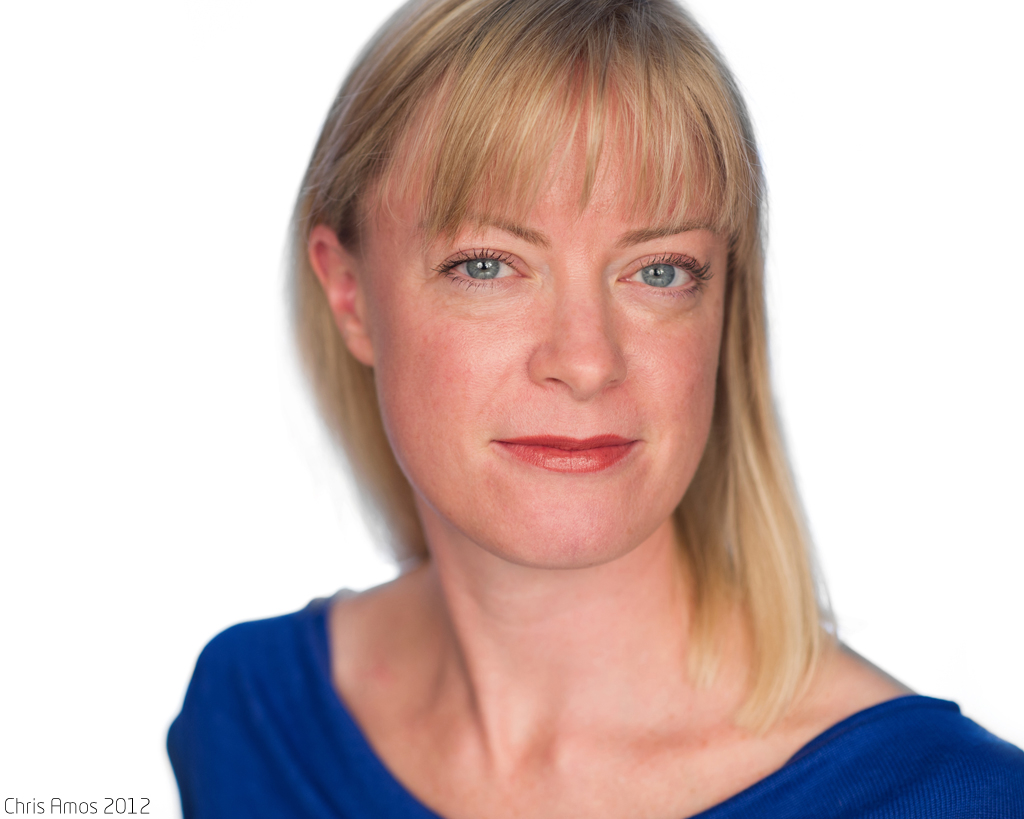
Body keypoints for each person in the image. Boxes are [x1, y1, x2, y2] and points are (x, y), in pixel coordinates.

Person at [167, 0, 1024, 815]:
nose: (586, 361)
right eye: (486, 265)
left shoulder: (958, 801)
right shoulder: (247, 720)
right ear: (350, 294)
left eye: (659, 271)